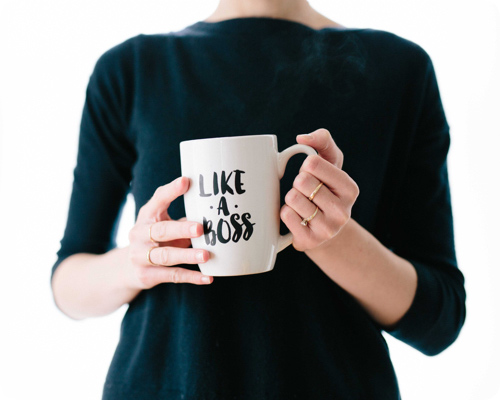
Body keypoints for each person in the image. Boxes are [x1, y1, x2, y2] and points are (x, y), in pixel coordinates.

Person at [50, 0, 466, 398]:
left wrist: (332, 239)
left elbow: (439, 320)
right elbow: (68, 284)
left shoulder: (398, 69)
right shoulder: (131, 70)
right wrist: (136, 263)